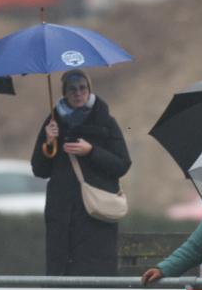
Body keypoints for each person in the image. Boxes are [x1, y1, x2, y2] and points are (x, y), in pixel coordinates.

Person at [31, 69, 131, 276]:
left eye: (82, 88)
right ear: (64, 93)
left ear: (89, 90)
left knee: (95, 271)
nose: (78, 93)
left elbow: (122, 164)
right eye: (72, 89)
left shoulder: (105, 121)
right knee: (62, 272)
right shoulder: (52, 123)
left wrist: (91, 151)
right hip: (61, 214)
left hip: (96, 213)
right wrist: (48, 142)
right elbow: (39, 169)